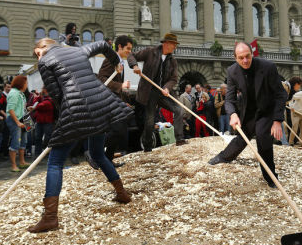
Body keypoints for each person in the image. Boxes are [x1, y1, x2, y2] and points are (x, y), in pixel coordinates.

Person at [28, 37, 133, 233]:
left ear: (42, 47)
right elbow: (102, 44)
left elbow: (56, 93)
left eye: (37, 52)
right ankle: (122, 193)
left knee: (55, 162)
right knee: (98, 154)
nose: (37, 56)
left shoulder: (44, 61)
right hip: (102, 103)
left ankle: (50, 217)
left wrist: (66, 118)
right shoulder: (78, 51)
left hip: (77, 107)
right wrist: (117, 62)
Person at [207, 42, 287, 188]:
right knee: (242, 136)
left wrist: (277, 120)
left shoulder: (268, 67)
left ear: (252, 54)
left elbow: (281, 94)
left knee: (263, 140)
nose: (245, 61)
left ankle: (271, 178)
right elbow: (229, 99)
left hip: (266, 110)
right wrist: (232, 114)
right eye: (241, 58)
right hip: (248, 110)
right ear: (235, 58)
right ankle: (224, 156)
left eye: (247, 56)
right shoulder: (232, 71)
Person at [128, 33, 187, 151]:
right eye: (173, 44)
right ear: (166, 43)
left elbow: (174, 78)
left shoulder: (173, 61)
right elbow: (131, 55)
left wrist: (167, 87)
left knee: (179, 110)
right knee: (150, 119)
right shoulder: (150, 52)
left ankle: (179, 138)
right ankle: (147, 145)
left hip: (163, 92)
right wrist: (134, 66)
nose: (175, 47)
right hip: (149, 92)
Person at [97, 34, 134, 166]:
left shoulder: (120, 62)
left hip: (115, 101)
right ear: (119, 46)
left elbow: (117, 85)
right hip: (107, 101)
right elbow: (102, 79)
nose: (130, 52)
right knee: (118, 129)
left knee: (120, 129)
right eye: (128, 49)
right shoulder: (110, 60)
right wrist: (120, 85)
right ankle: (95, 153)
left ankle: (107, 159)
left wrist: (124, 100)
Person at [6, 75, 29, 172]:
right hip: (15, 120)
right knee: (16, 142)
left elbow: (19, 108)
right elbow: (10, 109)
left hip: (22, 119)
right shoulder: (14, 93)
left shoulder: (20, 93)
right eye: (26, 83)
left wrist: (27, 109)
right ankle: (14, 165)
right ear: (21, 83)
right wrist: (17, 122)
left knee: (23, 141)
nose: (27, 85)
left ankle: (22, 162)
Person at [28, 87, 56, 159]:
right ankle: (38, 153)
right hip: (40, 121)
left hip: (48, 121)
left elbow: (42, 105)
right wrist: (37, 98)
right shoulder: (42, 97)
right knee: (38, 137)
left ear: (45, 89)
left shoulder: (50, 98)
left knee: (48, 138)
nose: (41, 90)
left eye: (42, 88)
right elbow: (37, 104)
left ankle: (47, 152)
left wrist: (36, 99)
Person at [286, 77, 302, 146]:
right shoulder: (298, 93)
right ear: (295, 84)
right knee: (294, 128)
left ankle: (301, 143)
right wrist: (291, 106)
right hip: (296, 112)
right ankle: (290, 142)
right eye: (299, 85)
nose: (300, 87)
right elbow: (291, 99)